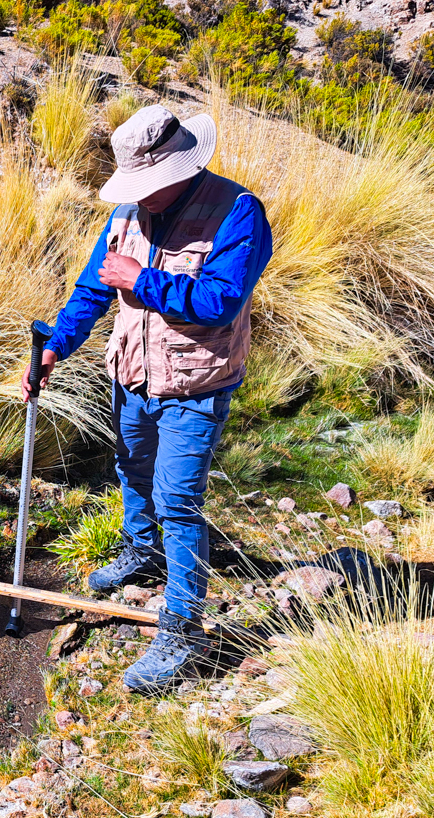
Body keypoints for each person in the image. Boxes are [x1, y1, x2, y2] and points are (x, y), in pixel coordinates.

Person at [21, 104, 273, 695]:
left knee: (179, 502)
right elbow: (92, 287)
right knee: (131, 468)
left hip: (195, 384)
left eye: (151, 184)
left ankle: (183, 631)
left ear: (183, 168)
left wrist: (142, 279)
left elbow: (220, 302)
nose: (143, 195)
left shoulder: (239, 212)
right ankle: (144, 553)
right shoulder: (126, 215)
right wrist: (55, 348)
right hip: (130, 374)